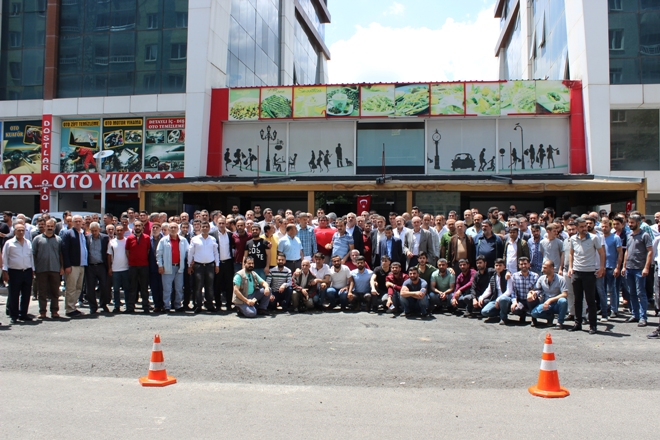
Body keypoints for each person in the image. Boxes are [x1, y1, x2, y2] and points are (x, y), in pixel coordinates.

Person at [568, 217, 605, 334]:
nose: (585, 228)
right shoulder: (573, 239)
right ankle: (577, 323)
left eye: (585, 226)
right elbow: (571, 253)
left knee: (590, 300)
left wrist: (601, 267)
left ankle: (593, 325)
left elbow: (601, 253)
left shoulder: (594, 238)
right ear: (576, 228)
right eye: (582, 227)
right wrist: (570, 267)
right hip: (576, 272)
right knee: (577, 300)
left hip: (589, 272)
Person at [622, 214, 653, 327]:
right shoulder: (629, 235)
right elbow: (627, 251)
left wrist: (646, 267)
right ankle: (635, 315)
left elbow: (650, 251)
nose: (630, 224)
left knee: (641, 293)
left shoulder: (645, 235)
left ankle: (643, 317)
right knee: (632, 293)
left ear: (638, 223)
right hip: (629, 268)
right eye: (629, 222)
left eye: (632, 222)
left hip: (639, 269)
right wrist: (624, 266)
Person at [2, 223, 34, 324]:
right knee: (14, 294)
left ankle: (23, 314)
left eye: (22, 230)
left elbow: (31, 257)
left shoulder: (28, 242)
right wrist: (4, 271)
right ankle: (14, 315)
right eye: (18, 230)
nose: (21, 232)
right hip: (14, 272)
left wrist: (33, 270)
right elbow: (5, 258)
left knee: (26, 294)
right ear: (14, 231)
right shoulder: (9, 243)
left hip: (27, 271)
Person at [32, 218, 63, 319]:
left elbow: (61, 254)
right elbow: (33, 254)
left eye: (51, 226)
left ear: (54, 227)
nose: (49, 228)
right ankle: (42, 312)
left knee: (55, 292)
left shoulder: (58, 239)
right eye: (48, 226)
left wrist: (62, 267)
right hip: (41, 269)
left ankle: (54, 311)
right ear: (44, 226)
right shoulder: (37, 239)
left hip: (55, 269)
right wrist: (34, 268)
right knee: (42, 292)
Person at [187, 221, 220, 313]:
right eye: (203, 227)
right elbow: (190, 253)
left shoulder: (212, 239)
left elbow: (216, 253)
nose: (205, 228)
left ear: (209, 228)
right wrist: (189, 265)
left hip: (210, 265)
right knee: (198, 286)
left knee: (209, 286)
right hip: (198, 266)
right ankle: (198, 305)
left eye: (206, 227)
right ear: (200, 228)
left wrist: (217, 265)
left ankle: (209, 305)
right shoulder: (195, 239)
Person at [156, 222, 188, 312]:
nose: (173, 229)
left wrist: (190, 263)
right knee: (167, 289)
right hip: (167, 267)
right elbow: (159, 254)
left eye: (175, 227)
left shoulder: (183, 240)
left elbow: (187, 252)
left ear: (178, 229)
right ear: (168, 229)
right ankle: (166, 306)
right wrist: (160, 265)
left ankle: (177, 305)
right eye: (171, 228)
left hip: (179, 267)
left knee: (179, 288)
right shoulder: (163, 240)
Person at [61, 215, 87, 317]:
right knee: (71, 288)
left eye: (79, 221)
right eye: (76, 221)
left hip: (82, 264)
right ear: (72, 222)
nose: (78, 223)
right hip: (72, 266)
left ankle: (73, 306)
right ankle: (69, 309)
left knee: (79, 288)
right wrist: (67, 265)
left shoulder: (82, 233)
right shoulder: (68, 233)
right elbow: (64, 250)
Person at [529, 260, 569, 329]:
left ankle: (560, 322)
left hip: (557, 304)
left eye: (545, 268)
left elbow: (565, 294)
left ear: (552, 268)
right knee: (534, 313)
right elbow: (537, 289)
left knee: (563, 301)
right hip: (546, 304)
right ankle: (549, 317)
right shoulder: (541, 278)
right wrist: (533, 293)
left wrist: (550, 300)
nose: (543, 270)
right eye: (543, 267)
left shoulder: (561, 279)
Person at [499, 257, 539, 324]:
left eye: (525, 264)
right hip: (521, 300)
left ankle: (534, 318)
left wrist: (534, 294)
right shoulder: (515, 276)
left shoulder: (535, 276)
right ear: (519, 265)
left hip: (532, 300)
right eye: (521, 264)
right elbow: (513, 291)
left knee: (531, 300)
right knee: (515, 309)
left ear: (529, 264)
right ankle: (522, 315)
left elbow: (538, 289)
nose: (523, 266)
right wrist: (514, 302)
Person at [85, 222, 111, 314]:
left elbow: (108, 252)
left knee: (104, 286)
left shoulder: (105, 238)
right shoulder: (87, 238)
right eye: (92, 231)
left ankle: (103, 304)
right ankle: (93, 306)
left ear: (99, 229)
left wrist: (109, 266)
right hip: (90, 266)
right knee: (90, 288)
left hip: (101, 265)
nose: (94, 232)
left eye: (95, 230)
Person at [479, 258, 513, 324]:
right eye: (496, 265)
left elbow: (509, 291)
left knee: (503, 299)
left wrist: (498, 299)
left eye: (500, 265)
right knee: (484, 312)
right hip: (495, 299)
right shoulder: (494, 276)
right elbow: (489, 290)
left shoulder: (508, 276)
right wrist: (482, 297)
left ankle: (503, 318)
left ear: (504, 266)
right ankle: (499, 314)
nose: (498, 267)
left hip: (506, 299)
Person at [601, 218, 622, 321]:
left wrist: (618, 267)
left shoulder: (616, 238)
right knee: (602, 290)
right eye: (602, 227)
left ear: (610, 227)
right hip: (602, 267)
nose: (604, 228)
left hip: (612, 267)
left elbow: (620, 253)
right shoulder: (600, 238)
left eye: (606, 226)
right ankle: (604, 309)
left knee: (612, 290)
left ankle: (614, 309)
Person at [107, 224, 130, 313]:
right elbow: (109, 255)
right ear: (115, 231)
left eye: (121, 230)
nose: (119, 232)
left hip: (126, 268)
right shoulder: (111, 242)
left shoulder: (127, 241)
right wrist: (110, 268)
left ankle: (128, 306)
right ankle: (116, 306)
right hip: (115, 269)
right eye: (118, 230)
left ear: (124, 231)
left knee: (127, 289)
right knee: (116, 289)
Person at [148, 223, 165, 312]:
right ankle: (157, 305)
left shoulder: (165, 239)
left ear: (160, 229)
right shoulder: (148, 240)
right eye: (153, 228)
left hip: (163, 266)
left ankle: (164, 304)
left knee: (163, 287)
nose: (154, 229)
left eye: (156, 228)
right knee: (154, 287)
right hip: (152, 266)